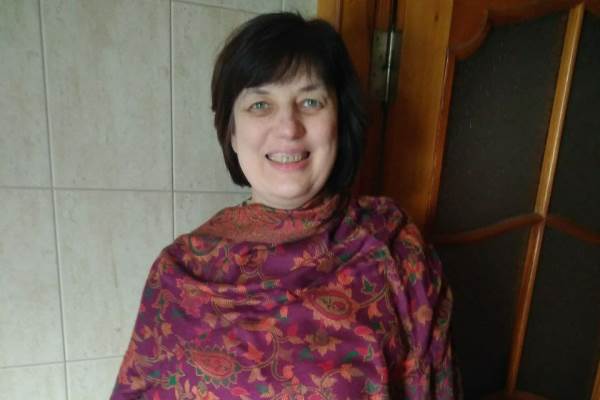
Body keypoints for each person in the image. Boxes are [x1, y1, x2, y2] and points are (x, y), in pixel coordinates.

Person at [111, 12, 458, 400]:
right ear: (232, 132)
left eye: (310, 101)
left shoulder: (394, 250)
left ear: (339, 121)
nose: (289, 128)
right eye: (260, 105)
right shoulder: (180, 273)